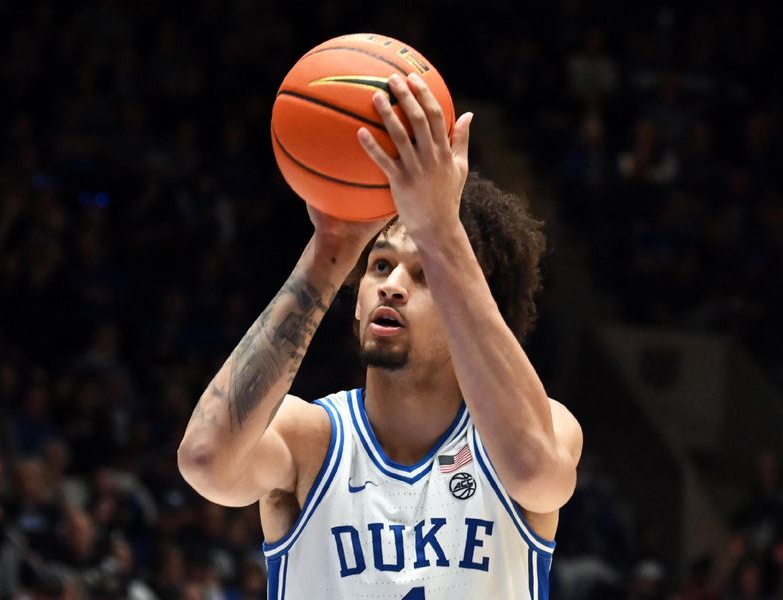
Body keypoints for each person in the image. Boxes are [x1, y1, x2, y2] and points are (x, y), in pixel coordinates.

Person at [178, 71, 583, 599]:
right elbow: (205, 461)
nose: (390, 285)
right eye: (379, 265)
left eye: (423, 274)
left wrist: (443, 231)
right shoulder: (311, 441)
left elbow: (537, 473)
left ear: (470, 306)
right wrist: (331, 252)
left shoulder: (540, 428)